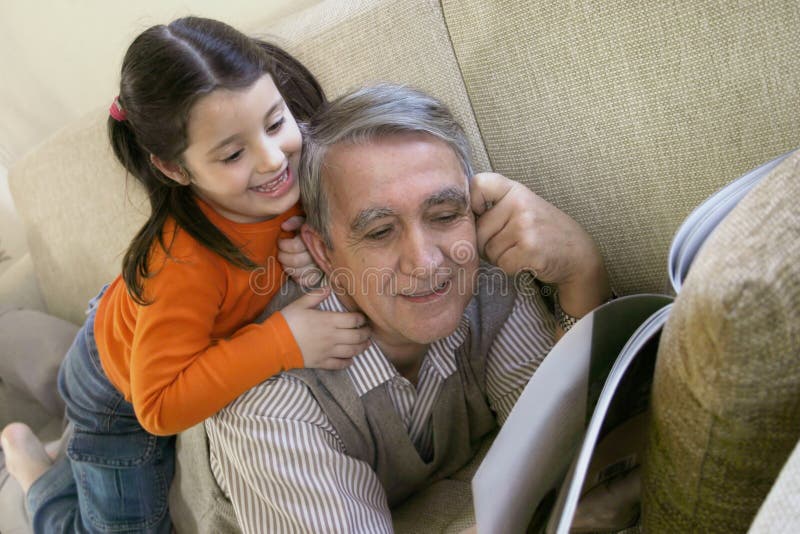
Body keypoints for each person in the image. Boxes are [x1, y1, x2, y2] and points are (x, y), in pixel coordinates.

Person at [0, 17, 371, 533]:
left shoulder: (298, 161)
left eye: (274, 122)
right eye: (233, 154)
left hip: (142, 320)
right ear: (175, 169)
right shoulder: (181, 263)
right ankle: (34, 476)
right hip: (119, 390)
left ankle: (68, 446)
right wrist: (285, 341)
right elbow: (158, 404)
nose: (271, 159)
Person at [204, 83, 612, 532]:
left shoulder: (487, 282)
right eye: (380, 231)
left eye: (443, 216)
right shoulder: (272, 403)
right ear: (324, 253)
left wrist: (583, 277)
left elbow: (566, 447)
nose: (426, 262)